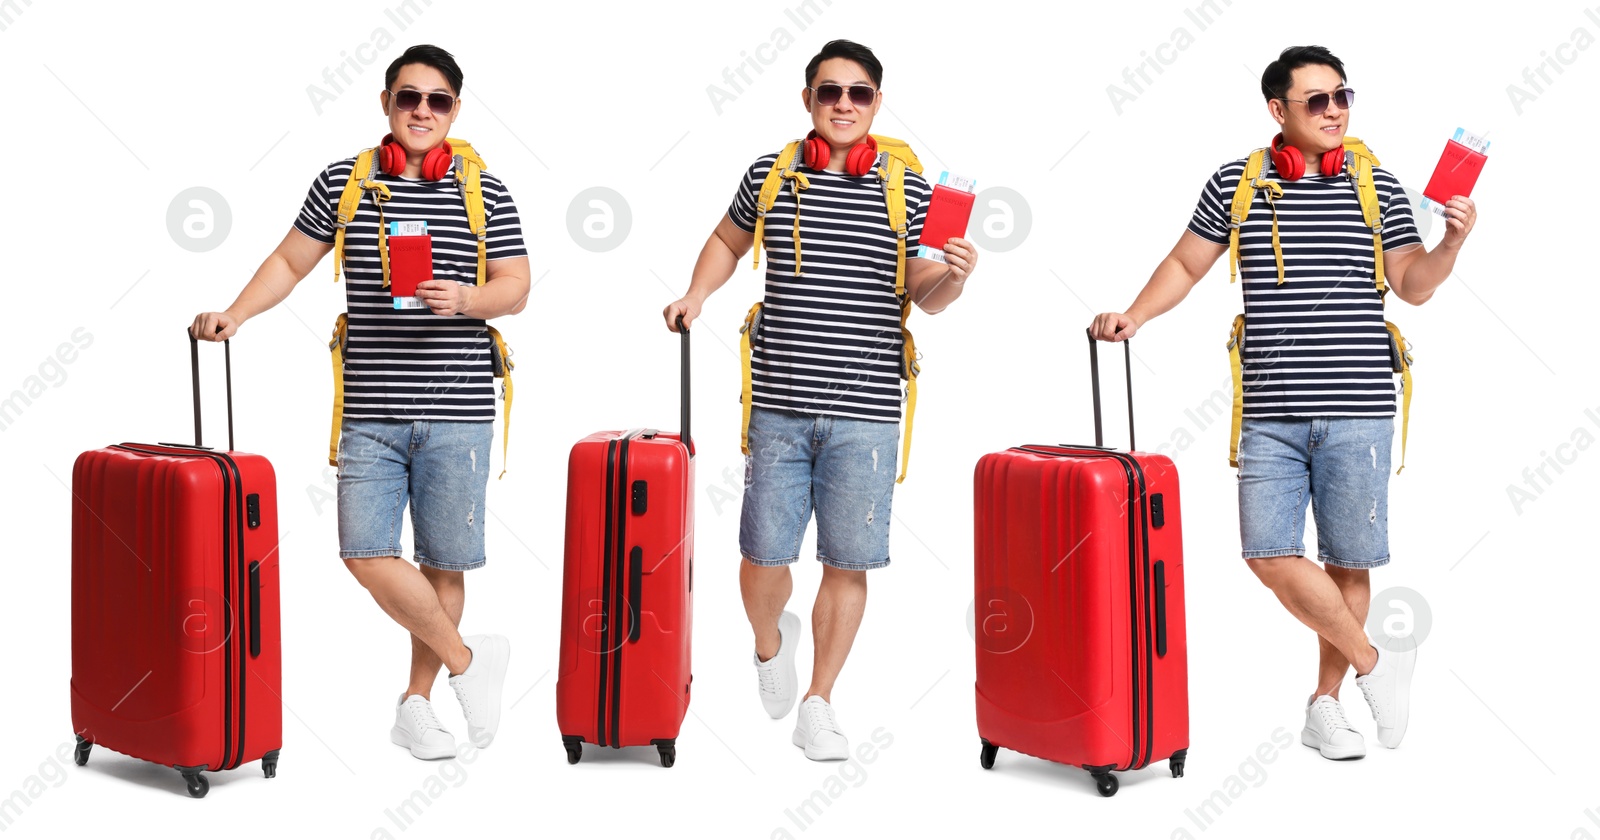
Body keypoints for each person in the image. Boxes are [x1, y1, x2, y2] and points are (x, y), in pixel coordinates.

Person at [1091, 45, 1477, 761]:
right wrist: (1136, 316)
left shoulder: (1377, 185)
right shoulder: (1237, 184)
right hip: (1268, 410)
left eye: (1343, 97)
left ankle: (1324, 709)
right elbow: (1185, 263)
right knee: (1267, 554)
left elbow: (1413, 283)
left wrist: (1450, 243)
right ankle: (1376, 664)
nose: (1335, 112)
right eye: (1317, 101)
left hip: (1359, 405)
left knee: (1349, 563)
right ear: (1278, 110)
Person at [189, 44, 526, 761]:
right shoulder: (344, 184)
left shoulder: (484, 190)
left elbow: (517, 286)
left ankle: (417, 705)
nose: (423, 112)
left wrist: (467, 299)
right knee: (365, 552)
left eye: (438, 101)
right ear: (386, 103)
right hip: (370, 411)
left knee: (443, 562)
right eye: (410, 98)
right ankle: (471, 662)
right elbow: (289, 261)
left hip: (459, 409)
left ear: (455, 111)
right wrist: (237, 313)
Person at [662, 38, 979, 761]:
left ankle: (820, 700)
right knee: (763, 554)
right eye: (830, 91)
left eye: (859, 93)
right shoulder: (771, 175)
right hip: (777, 403)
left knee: (847, 561)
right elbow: (726, 239)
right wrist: (697, 292)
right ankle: (771, 647)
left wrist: (956, 276)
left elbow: (925, 297)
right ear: (808, 100)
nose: (844, 104)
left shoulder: (910, 186)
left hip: (866, 412)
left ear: (876, 102)